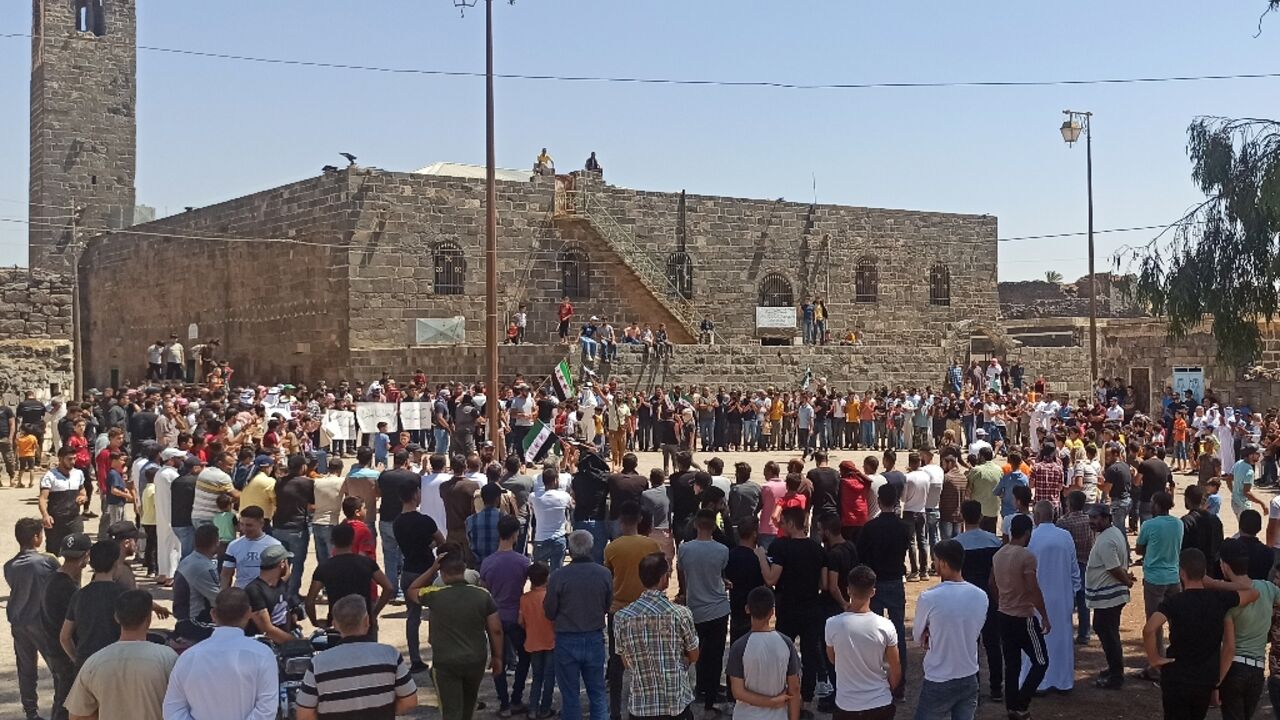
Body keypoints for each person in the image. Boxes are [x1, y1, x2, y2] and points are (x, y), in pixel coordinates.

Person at [1143, 548, 1260, 720]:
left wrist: (1154, 659)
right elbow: (1252, 591)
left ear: (1182, 573)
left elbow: (1149, 629)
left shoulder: (1174, 602)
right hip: (1204, 678)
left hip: (1177, 676)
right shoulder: (1219, 599)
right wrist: (1214, 583)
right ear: (1204, 572)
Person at [296, 594, 418, 720]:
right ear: (367, 621)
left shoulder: (318, 664)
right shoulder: (390, 655)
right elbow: (409, 701)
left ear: (335, 625)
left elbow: (304, 715)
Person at [163, 587, 279, 719]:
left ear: (213, 614)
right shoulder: (262, 655)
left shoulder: (189, 657)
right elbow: (266, 710)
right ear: (249, 613)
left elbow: (173, 709)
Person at [418, 548, 504, 720]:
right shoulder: (483, 595)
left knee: (450, 710)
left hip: (445, 661)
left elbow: (412, 589)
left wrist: (432, 569)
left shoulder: (434, 595)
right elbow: (496, 629)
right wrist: (497, 657)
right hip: (475, 659)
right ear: (464, 570)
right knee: (469, 704)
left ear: (442, 573)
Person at [64, 589, 177, 720]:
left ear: (116, 617)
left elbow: (77, 716)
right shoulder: (168, 658)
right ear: (148, 619)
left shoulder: (94, 663)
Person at [614, 552, 700, 720]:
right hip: (675, 702)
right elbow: (694, 654)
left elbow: (626, 662)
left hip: (641, 706)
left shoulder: (622, 617)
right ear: (663, 579)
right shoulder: (680, 614)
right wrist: (684, 661)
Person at [757, 507, 827, 709]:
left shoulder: (780, 547)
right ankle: (805, 699)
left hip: (788, 608)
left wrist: (761, 556)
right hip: (812, 607)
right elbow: (823, 584)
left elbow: (771, 579)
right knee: (810, 654)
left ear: (789, 523)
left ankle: (782, 692)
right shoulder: (817, 548)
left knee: (782, 654)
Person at [912, 539, 989, 720]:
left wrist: (929, 632)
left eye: (936, 560)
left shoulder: (929, 598)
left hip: (939, 677)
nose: (934, 563)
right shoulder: (981, 596)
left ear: (944, 563)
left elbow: (917, 637)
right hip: (969, 675)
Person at [544, 530, 612, 720]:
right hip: (594, 636)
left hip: (567, 638)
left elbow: (549, 610)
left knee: (570, 696)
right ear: (591, 547)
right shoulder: (604, 574)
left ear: (570, 550)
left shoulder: (558, 576)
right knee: (597, 693)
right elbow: (608, 605)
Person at [603, 501, 661, 719]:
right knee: (648, 660)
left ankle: (615, 711)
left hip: (619, 610)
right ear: (640, 519)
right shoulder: (651, 546)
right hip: (646, 608)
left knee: (616, 663)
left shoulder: (612, 548)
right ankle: (649, 706)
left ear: (620, 520)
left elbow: (609, 577)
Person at [1212, 538, 1280, 720]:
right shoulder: (1268, 589)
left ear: (1224, 566)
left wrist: (1216, 682)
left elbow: (1229, 647)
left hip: (1234, 668)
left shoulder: (1228, 600)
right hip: (1257, 670)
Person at [990, 515, 1050, 719]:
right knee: (1041, 661)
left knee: (1012, 664)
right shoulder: (1027, 556)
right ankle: (1021, 703)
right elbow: (1034, 589)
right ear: (1027, 533)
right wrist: (1044, 616)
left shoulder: (999, 555)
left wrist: (1002, 601)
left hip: (1004, 615)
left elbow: (992, 583)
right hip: (1023, 616)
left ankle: (1012, 707)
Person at [824, 565, 902, 720]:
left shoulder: (832, 624)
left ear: (848, 590)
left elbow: (833, 659)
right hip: (880, 702)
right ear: (873, 592)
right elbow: (896, 667)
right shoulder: (885, 625)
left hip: (847, 705)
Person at [854, 484, 910, 698]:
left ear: (878, 501)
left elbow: (861, 555)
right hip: (896, 580)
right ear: (896, 501)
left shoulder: (870, 527)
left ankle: (874, 680)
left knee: (874, 634)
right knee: (898, 636)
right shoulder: (904, 527)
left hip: (875, 583)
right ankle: (900, 685)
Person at [6, 517, 62, 720]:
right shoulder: (48, 561)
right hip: (42, 622)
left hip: (19, 622)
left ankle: (31, 712)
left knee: (26, 669)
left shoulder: (9, 566)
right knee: (58, 667)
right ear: (36, 537)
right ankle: (60, 708)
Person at [677, 509, 731, 717]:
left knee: (695, 651)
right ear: (714, 527)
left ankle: (699, 688)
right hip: (718, 607)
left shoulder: (685, 549)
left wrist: (684, 592)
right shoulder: (722, 550)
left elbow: (683, 574)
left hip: (695, 606)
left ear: (695, 525)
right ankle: (710, 698)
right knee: (716, 654)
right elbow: (719, 573)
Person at [1023, 501, 1080, 692]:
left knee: (1038, 640)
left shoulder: (1031, 538)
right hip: (1062, 596)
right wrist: (1073, 593)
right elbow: (1074, 569)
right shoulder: (1065, 537)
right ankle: (1063, 680)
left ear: (1036, 517)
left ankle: (1038, 681)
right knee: (1061, 640)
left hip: (1036, 597)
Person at [481, 515, 533, 715]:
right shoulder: (522, 562)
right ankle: (516, 697)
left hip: (494, 615)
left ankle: (503, 703)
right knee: (525, 657)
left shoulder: (487, 562)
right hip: (516, 616)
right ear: (514, 535)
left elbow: (484, 589)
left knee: (497, 658)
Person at [306, 521, 395, 637]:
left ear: (332, 541)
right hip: (364, 621)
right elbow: (388, 587)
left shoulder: (324, 567)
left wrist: (315, 622)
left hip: (337, 624)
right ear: (352, 540)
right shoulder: (366, 563)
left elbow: (309, 601)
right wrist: (374, 613)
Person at [954, 500, 1004, 702]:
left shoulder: (956, 544)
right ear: (981, 516)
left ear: (963, 518)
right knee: (993, 643)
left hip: (965, 598)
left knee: (969, 644)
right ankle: (996, 687)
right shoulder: (994, 541)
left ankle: (972, 685)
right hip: (989, 596)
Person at [726, 586, 801, 720]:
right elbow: (794, 688)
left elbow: (737, 692)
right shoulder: (786, 643)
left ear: (747, 609)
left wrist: (770, 702)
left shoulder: (739, 647)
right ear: (772, 612)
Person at [392, 482, 444, 671]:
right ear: (415, 495)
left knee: (413, 617)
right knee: (436, 614)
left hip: (408, 573)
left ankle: (415, 658)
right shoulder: (425, 521)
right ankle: (438, 655)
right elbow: (441, 541)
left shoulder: (397, 522)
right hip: (427, 572)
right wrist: (429, 546)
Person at [1136, 491, 1185, 680]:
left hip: (1154, 578)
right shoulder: (1178, 523)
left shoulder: (1149, 525)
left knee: (1155, 623)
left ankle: (1157, 664)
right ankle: (1178, 657)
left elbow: (1139, 548)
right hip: (1173, 576)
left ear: (1156, 505)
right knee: (1177, 621)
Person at [1084, 503, 1133, 690]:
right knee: (1105, 630)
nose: (1092, 522)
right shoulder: (1112, 533)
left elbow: (1113, 567)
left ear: (1106, 518)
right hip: (1108, 594)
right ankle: (1114, 667)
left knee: (1108, 632)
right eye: (1091, 518)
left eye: (1096, 518)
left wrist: (1126, 581)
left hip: (1109, 595)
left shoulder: (1106, 540)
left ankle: (1116, 675)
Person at [43, 532, 90, 720]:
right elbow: (71, 630)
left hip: (53, 650)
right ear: (86, 555)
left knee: (61, 699)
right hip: (65, 653)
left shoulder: (52, 579)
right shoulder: (68, 589)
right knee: (67, 704)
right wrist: (76, 659)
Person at [60, 540, 125, 669]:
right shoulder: (123, 594)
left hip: (86, 662)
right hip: (113, 661)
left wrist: (76, 659)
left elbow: (65, 637)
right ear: (116, 563)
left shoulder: (79, 595)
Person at [1055, 490, 1095, 646]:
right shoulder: (1089, 520)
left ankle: (1066, 632)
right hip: (1086, 561)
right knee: (1084, 601)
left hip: (1069, 564)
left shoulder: (1064, 523)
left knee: (1068, 601)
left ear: (1069, 504)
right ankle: (1084, 633)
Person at [520, 563, 557, 720]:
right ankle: (545, 708)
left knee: (537, 676)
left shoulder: (525, 598)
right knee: (550, 676)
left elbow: (520, 621)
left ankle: (532, 709)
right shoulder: (550, 597)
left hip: (533, 641)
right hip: (551, 641)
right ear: (547, 577)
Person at [220, 505, 283, 589]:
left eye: (249, 525)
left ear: (261, 523)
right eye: (242, 524)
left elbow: (284, 574)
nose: (244, 529)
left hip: (265, 596)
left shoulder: (274, 545)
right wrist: (223, 594)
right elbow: (226, 574)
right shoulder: (233, 546)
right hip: (242, 594)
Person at [39, 445, 87, 553]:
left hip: (74, 518)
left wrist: (83, 497)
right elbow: (43, 498)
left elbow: (82, 491)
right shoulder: (50, 476)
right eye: (69, 459)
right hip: (56, 520)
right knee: (53, 552)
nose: (73, 461)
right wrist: (45, 515)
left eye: (74, 458)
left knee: (78, 549)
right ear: (60, 459)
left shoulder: (78, 474)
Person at [244, 544, 296, 643]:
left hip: (283, 643)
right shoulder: (254, 590)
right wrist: (297, 642)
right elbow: (267, 630)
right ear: (282, 564)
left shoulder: (280, 584)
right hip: (264, 648)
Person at [530, 466, 573, 570]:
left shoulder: (533, 496)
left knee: (539, 577)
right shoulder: (564, 496)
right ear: (555, 480)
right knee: (556, 574)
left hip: (540, 539)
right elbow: (572, 506)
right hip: (558, 539)